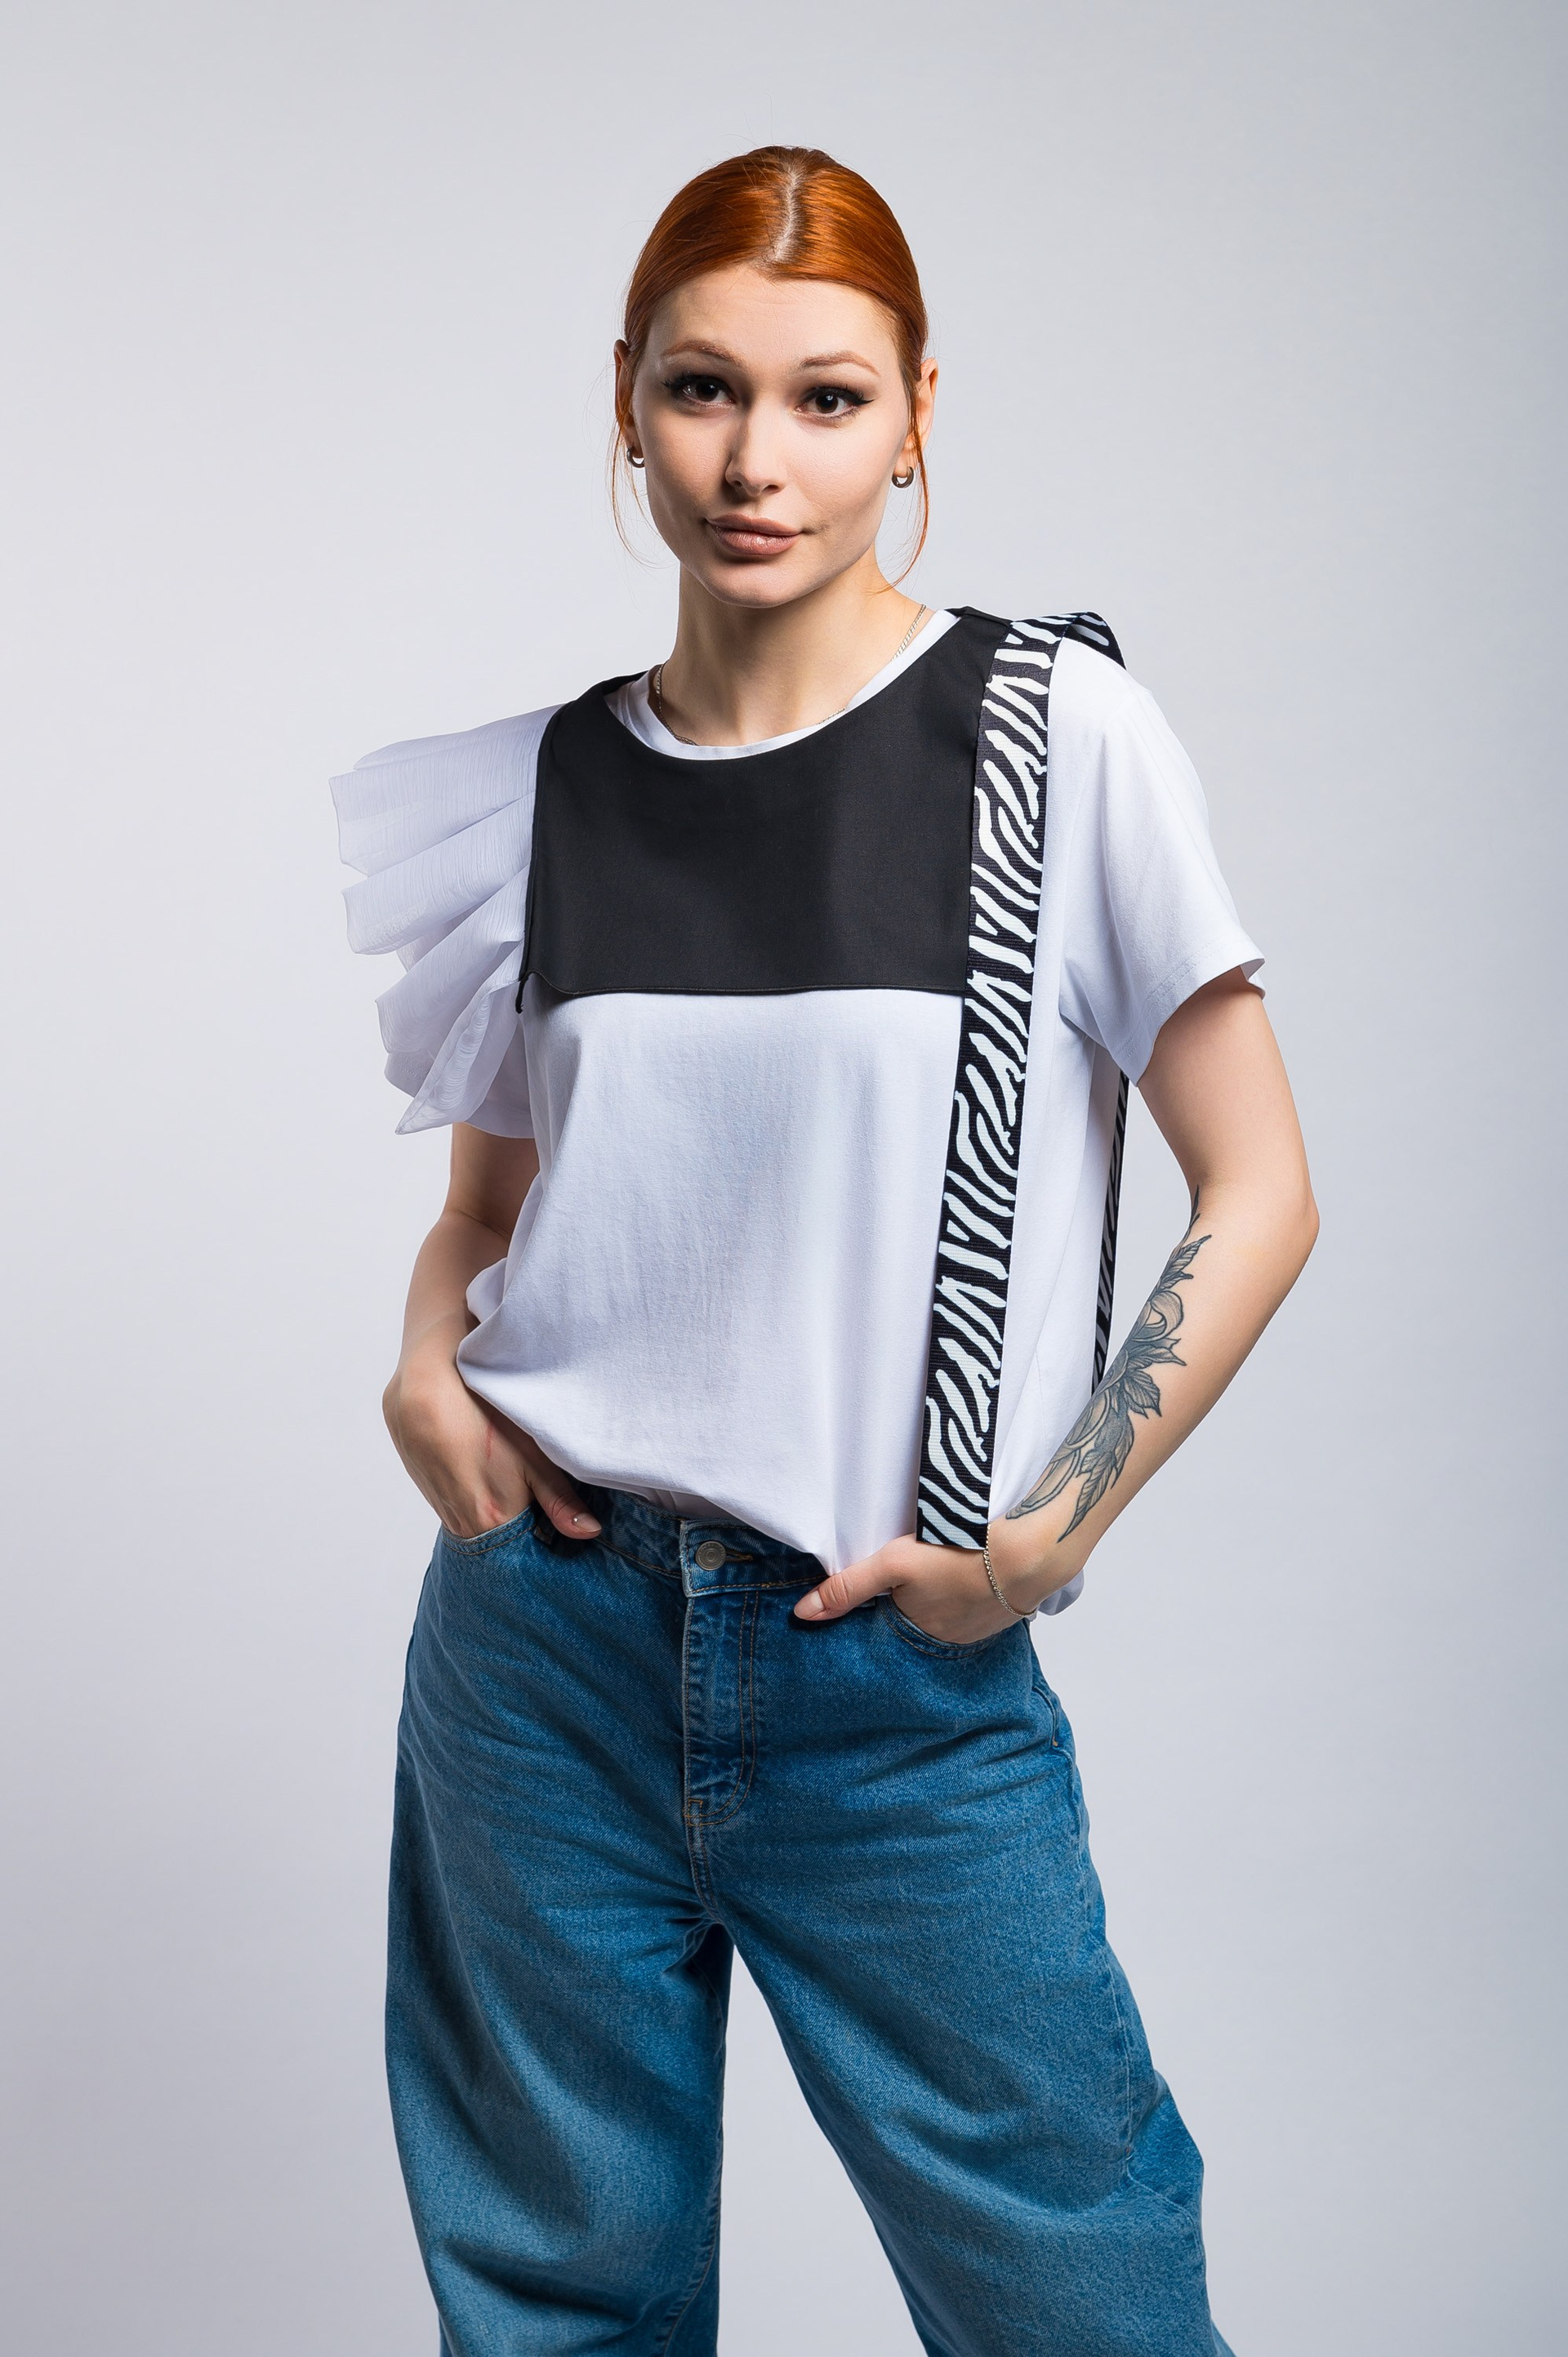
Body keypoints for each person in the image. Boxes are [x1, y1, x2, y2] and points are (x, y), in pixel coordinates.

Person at [333, 144, 1316, 2357]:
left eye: (827, 398)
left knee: (1080, 2294)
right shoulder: (543, 795)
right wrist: (420, 1363)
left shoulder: (1054, 740)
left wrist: (1050, 1529)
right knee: (554, 2307)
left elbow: (1260, 1186)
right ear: (625, 398)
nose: (755, 460)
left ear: (918, 414)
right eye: (703, 390)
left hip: (890, 1680)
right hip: (541, 1659)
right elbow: (489, 1212)